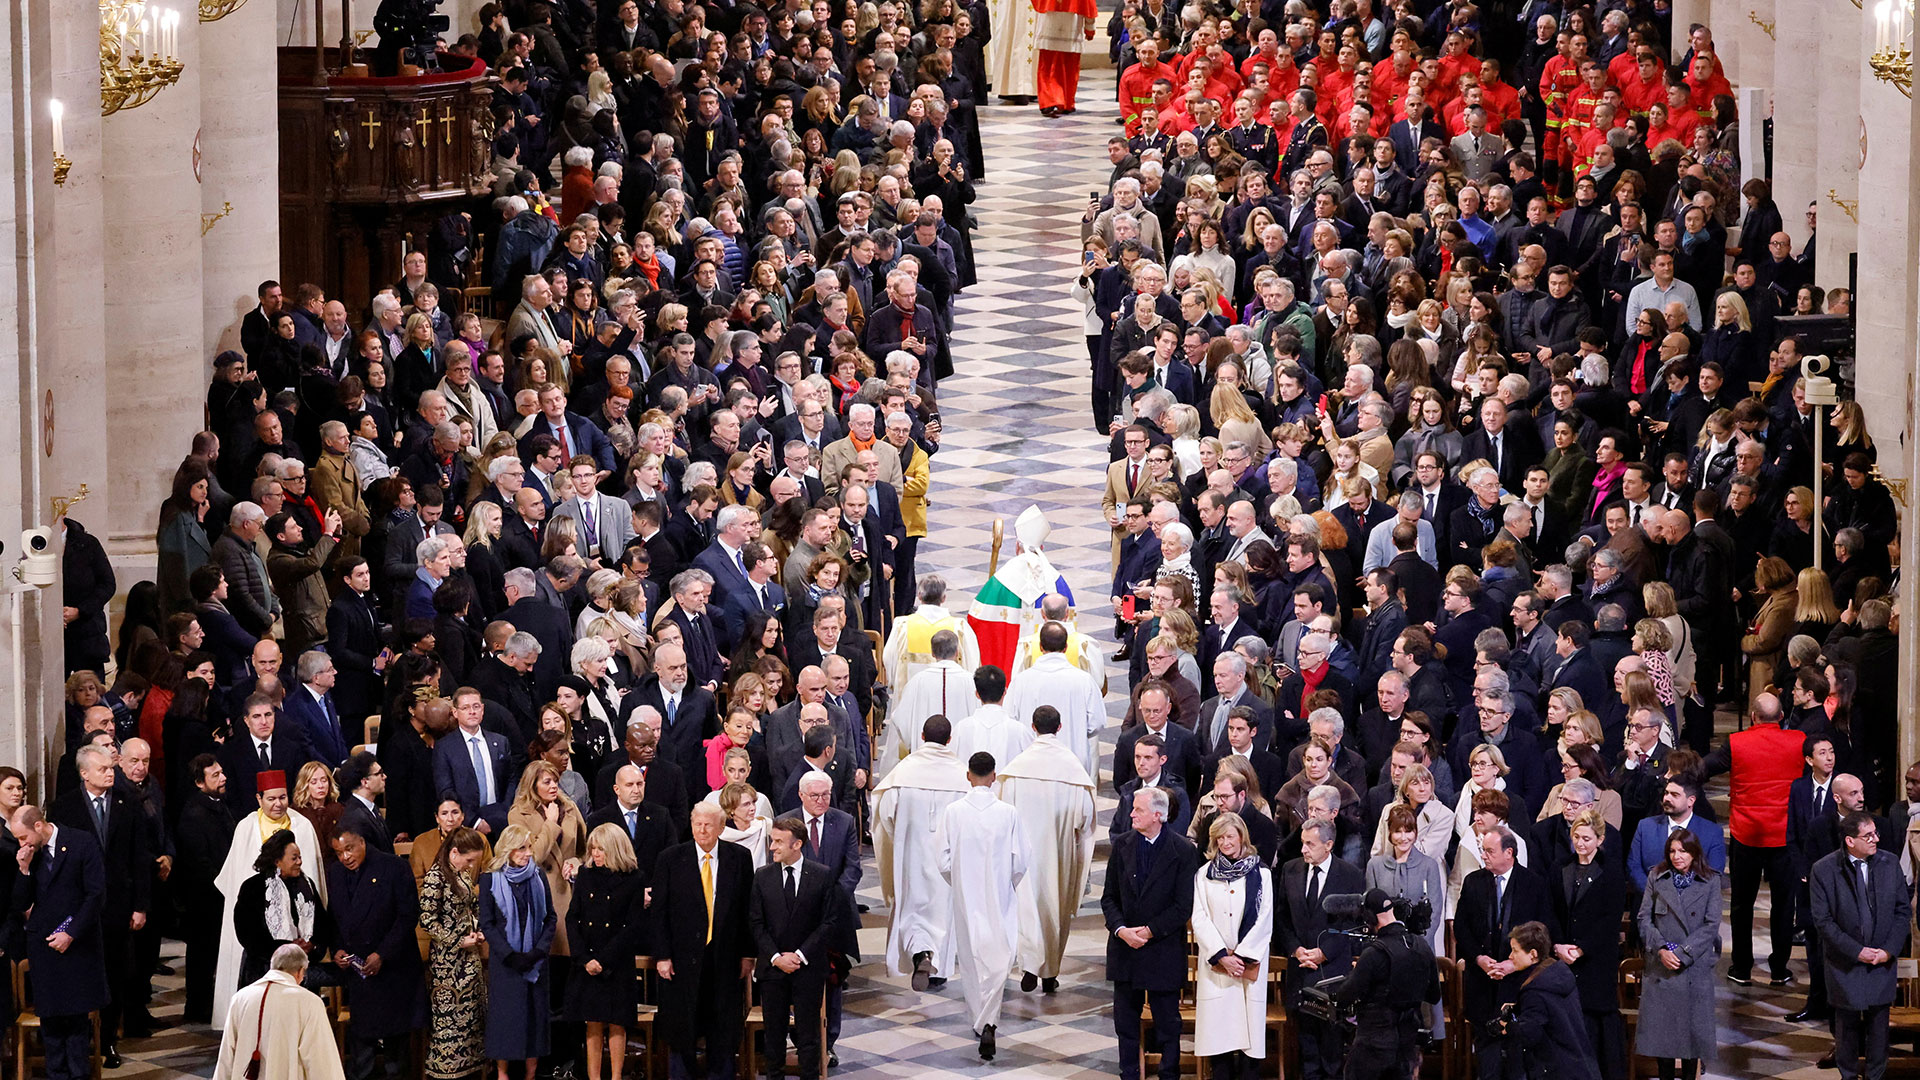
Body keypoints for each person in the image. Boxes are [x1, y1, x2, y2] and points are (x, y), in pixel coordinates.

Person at [213, 770, 328, 1029]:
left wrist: (312, 942)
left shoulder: (302, 825)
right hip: (261, 948)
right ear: (259, 799)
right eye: (271, 799)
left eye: (283, 797)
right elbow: (232, 880)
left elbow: (315, 884)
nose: (278, 804)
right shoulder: (246, 827)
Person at [998, 705, 1098, 994]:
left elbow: (1004, 812)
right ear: (1060, 727)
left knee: (1026, 908)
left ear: (1033, 727)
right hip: (1059, 852)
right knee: (1054, 907)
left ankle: (1029, 965)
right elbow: (1085, 817)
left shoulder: (1017, 768)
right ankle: (1049, 972)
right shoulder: (1071, 768)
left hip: (1023, 854)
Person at [650, 802, 754, 1080]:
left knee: (722, 1026)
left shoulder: (739, 858)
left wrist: (748, 954)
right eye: (698, 824)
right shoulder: (671, 859)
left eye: (709, 824)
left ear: (721, 827)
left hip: (724, 958)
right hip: (681, 960)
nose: (702, 829)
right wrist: (662, 955)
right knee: (682, 1026)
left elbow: (747, 911)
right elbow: (659, 912)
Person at [938, 750, 1031, 1058]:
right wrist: (1007, 882)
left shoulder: (953, 812)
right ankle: (988, 1022)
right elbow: (1021, 860)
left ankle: (982, 1023)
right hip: (999, 893)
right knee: (999, 957)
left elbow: (942, 859)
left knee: (970, 960)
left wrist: (961, 881)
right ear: (994, 777)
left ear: (968, 776)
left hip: (966, 896)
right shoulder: (1009, 813)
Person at [1102, 786, 1198, 1080]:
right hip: (1126, 950)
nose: (1131, 814)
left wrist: (1149, 931)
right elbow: (1109, 898)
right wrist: (1121, 930)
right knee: (1126, 1023)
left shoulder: (1182, 850)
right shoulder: (1122, 846)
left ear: (1158, 815)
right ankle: (1128, 1073)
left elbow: (1183, 906)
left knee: (1168, 1023)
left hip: (1162, 949)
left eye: (1138, 810)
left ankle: (1170, 1074)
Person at [8, 805, 110, 1080]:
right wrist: (24, 869)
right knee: (50, 1021)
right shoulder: (30, 856)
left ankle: (78, 1075)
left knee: (76, 1021)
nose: (21, 843)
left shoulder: (81, 842)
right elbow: (20, 903)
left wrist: (71, 933)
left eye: (22, 837)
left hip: (77, 943)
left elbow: (95, 894)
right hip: (45, 948)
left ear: (38, 826)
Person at [1811, 811, 1912, 1080]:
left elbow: (1903, 912)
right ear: (1849, 841)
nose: (1876, 839)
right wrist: (1857, 951)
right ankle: (1848, 1075)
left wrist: (1888, 950)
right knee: (1847, 1027)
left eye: (1875, 833)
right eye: (1868, 835)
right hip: (1845, 961)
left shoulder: (1889, 864)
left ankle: (1875, 1076)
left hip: (1882, 958)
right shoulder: (1824, 870)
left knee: (1879, 1028)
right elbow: (1823, 921)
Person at [325, 824, 424, 1079]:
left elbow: (407, 916)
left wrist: (382, 954)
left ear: (362, 843)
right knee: (362, 1046)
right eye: (339, 852)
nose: (345, 857)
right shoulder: (335, 873)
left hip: (393, 968)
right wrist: (336, 948)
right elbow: (333, 918)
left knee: (395, 1051)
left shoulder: (393, 868)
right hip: (359, 972)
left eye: (349, 849)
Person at [749, 816, 844, 1080]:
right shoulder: (762, 877)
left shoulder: (822, 875)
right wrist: (777, 957)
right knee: (774, 1036)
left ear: (797, 844)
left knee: (808, 1036)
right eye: (772, 841)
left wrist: (800, 955)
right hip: (773, 968)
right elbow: (756, 923)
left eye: (778, 842)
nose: (772, 847)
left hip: (809, 968)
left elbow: (829, 922)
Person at [1276, 817, 1366, 1080]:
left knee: (1331, 1048)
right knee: (1307, 1049)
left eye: (1309, 844)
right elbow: (1281, 918)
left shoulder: (1350, 875)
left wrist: (1323, 952)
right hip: (1300, 970)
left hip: (1332, 973)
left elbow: (1352, 923)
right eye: (1302, 843)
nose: (1303, 849)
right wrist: (1295, 950)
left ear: (1328, 844)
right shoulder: (1290, 870)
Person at [1190, 812, 1273, 1080]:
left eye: (1230, 836)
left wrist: (1241, 957)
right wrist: (1221, 957)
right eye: (1220, 838)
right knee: (1220, 1038)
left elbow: (1264, 918)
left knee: (1249, 1039)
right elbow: (1199, 918)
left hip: (1248, 966)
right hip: (1218, 969)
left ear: (1241, 837)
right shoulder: (1204, 874)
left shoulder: (1261, 873)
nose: (1226, 843)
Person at [1634, 829, 1723, 1080]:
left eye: (1683, 851)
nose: (1677, 856)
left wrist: (1683, 954)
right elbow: (1644, 918)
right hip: (1661, 967)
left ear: (1694, 853)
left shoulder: (1710, 881)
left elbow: (1711, 925)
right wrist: (1661, 949)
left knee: (1691, 1039)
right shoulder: (1656, 876)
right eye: (1672, 851)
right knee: (1663, 1039)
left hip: (1692, 968)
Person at [1550, 809, 1628, 1080]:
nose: (1580, 843)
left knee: (1592, 1025)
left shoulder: (1612, 872)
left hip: (1596, 961)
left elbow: (1610, 920)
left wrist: (1581, 948)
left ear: (1600, 839)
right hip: (1562, 958)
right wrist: (1559, 945)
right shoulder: (1560, 866)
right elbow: (1552, 909)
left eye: (1586, 838)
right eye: (1576, 837)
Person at [566, 824, 646, 1080]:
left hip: (616, 963)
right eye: (593, 848)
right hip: (586, 961)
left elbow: (633, 926)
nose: (596, 854)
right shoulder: (586, 875)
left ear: (615, 849)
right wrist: (584, 958)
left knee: (617, 1022)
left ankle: (615, 1077)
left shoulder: (634, 879)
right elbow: (573, 918)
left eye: (601, 849)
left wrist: (603, 960)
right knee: (592, 1023)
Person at [480, 824, 558, 1079]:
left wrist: (538, 952)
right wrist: (510, 955)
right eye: (521, 848)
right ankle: (502, 1074)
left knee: (535, 1019)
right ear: (508, 850)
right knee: (505, 1021)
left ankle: (530, 1075)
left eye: (529, 847)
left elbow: (550, 918)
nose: (527, 853)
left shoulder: (538, 877)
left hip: (535, 963)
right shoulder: (490, 879)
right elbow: (487, 924)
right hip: (506, 965)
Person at [211, 944, 346, 1080]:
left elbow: (227, 1054)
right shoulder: (309, 1002)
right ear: (300, 971)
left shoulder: (240, 998)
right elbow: (320, 1059)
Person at [418, 826, 489, 1080]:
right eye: (469, 860)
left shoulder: (462, 875)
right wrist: (457, 940)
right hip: (448, 967)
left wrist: (478, 931)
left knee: (471, 1023)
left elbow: (472, 908)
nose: (471, 865)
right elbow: (427, 919)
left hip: (469, 961)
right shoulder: (437, 877)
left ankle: (470, 1071)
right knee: (450, 1025)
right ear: (454, 852)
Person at [1005, 621, 1107, 775]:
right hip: (1073, 764)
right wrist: (1076, 732)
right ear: (1065, 648)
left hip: (1031, 762)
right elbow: (1097, 723)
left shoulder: (1021, 681)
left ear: (1040, 647)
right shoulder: (1084, 680)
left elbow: (1010, 719)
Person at [1505, 920, 1601, 1080]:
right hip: (1581, 1067)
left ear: (1533, 954)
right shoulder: (1559, 973)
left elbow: (1530, 1035)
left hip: (1556, 1071)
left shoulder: (1535, 990)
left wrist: (1507, 1027)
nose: (1510, 956)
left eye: (1515, 950)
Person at [888, 628, 980, 762]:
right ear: (957, 652)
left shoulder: (917, 681)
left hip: (925, 756)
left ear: (932, 653)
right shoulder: (970, 681)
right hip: (960, 759)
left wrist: (913, 742)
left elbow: (900, 719)